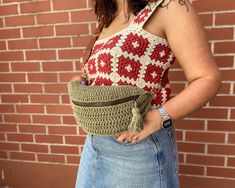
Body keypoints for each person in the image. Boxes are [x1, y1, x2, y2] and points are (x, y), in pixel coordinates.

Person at [72, 0, 221, 187]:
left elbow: (208, 79)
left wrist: (159, 117)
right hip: (94, 143)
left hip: (137, 146)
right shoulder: (107, 18)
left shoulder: (169, 6)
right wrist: (83, 80)